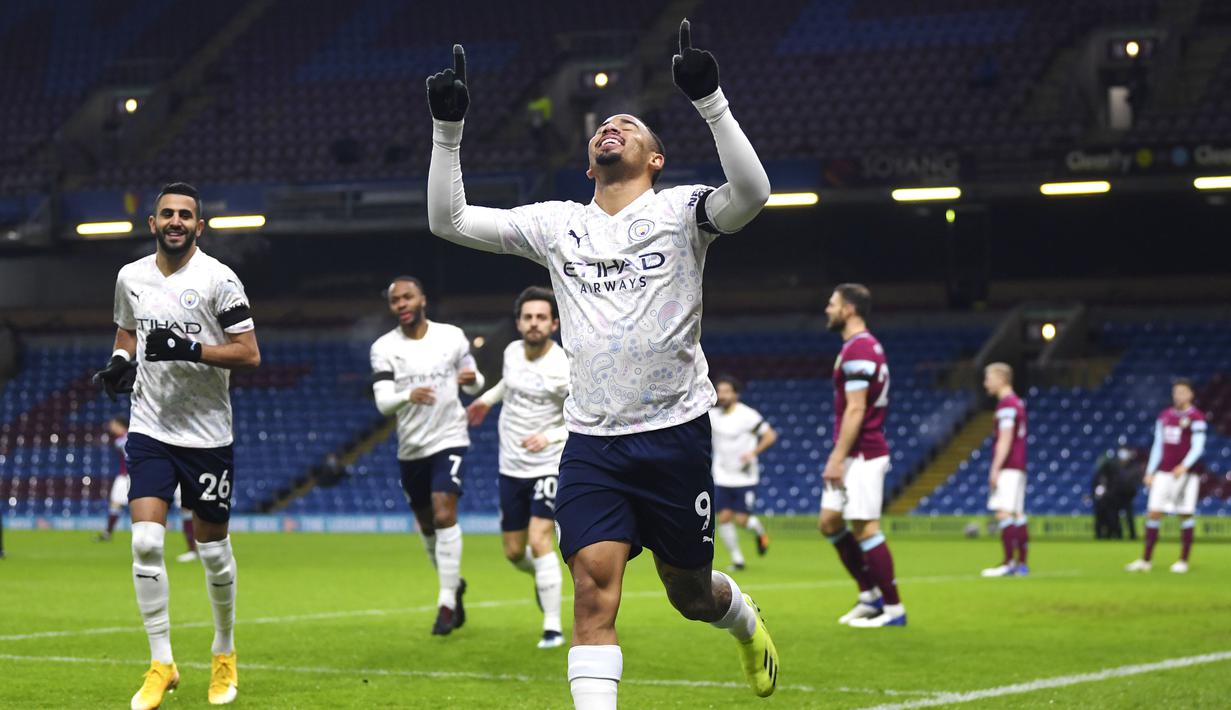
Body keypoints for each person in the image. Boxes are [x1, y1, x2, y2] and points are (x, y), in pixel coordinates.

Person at [425, 19, 778, 706]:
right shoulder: (558, 224)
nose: (611, 126)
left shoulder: (682, 211)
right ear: (589, 165)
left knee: (689, 594)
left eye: (629, 125)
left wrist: (710, 101)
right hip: (591, 443)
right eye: (603, 128)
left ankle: (743, 622)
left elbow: (753, 195)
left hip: (674, 434)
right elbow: (450, 221)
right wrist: (447, 129)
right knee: (592, 592)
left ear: (655, 159)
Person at [93, 182, 259, 708]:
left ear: (198, 226)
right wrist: (120, 363)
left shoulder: (219, 279)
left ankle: (224, 651)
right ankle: (162, 662)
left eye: (185, 215)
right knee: (145, 543)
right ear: (153, 222)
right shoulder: (131, 277)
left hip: (207, 435)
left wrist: (191, 348)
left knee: (213, 552)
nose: (176, 221)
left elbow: (249, 353)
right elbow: (127, 331)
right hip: (150, 428)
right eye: (167, 213)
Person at [370, 275, 484, 635]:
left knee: (444, 511)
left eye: (408, 297)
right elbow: (383, 403)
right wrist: (408, 395)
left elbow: (475, 381)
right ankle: (454, 585)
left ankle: (445, 603)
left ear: (422, 300)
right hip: (411, 448)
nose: (402, 304)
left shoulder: (451, 337)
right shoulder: (384, 347)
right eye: (395, 300)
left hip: (449, 438)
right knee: (426, 524)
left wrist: (473, 381)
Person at [466, 286, 569, 649]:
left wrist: (550, 437)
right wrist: (485, 400)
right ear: (519, 322)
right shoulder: (511, 352)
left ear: (554, 324)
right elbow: (509, 385)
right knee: (514, 552)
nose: (534, 323)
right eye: (528, 317)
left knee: (540, 539)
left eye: (541, 317)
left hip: (547, 465)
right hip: (510, 464)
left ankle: (552, 627)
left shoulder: (562, 365)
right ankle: (542, 578)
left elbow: (582, 415)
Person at [817, 284, 906, 627]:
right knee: (830, 522)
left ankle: (894, 610)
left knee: (866, 528)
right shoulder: (858, 347)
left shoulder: (859, 350)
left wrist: (836, 458)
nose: (828, 309)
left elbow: (856, 409)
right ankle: (870, 596)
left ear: (849, 309)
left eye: (833, 304)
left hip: (863, 452)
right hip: (854, 452)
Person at [1126, 380, 1206, 574]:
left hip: (1186, 474)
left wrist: (1185, 465)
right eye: (1176, 392)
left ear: (1191, 394)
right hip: (1164, 472)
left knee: (1185, 513)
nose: (1178, 395)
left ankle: (1183, 561)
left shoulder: (1196, 417)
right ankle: (1146, 560)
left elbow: (1198, 446)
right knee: (1153, 513)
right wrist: (1150, 471)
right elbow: (1158, 445)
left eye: (1182, 392)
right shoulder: (1165, 416)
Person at [98, 416, 198, 561]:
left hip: (175, 474)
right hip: (154, 474)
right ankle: (187, 547)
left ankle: (193, 548)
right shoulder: (141, 437)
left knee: (186, 509)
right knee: (124, 504)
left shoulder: (130, 438)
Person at [708, 374, 776, 571]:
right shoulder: (712, 415)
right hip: (722, 475)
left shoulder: (748, 415)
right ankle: (737, 559)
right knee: (724, 518)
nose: (722, 395)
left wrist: (753, 453)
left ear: (736, 394)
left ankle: (760, 532)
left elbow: (770, 435)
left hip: (745, 477)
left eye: (727, 391)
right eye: (720, 391)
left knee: (742, 520)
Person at [980, 363, 1030, 578]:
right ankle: (1021, 564)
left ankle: (1009, 563)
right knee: (1017, 513)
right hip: (1019, 464)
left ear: (1001, 379)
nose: (985, 384)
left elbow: (1006, 438)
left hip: (1009, 466)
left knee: (1004, 513)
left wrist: (995, 467)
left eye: (988, 379)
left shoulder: (1007, 404)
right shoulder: (1018, 402)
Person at [1091, 441, 1141, 540]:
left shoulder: (1133, 467)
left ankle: (1132, 535)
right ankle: (1116, 534)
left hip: (1128, 496)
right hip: (1115, 496)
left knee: (1129, 517)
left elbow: (1134, 481)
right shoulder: (1114, 467)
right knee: (1113, 517)